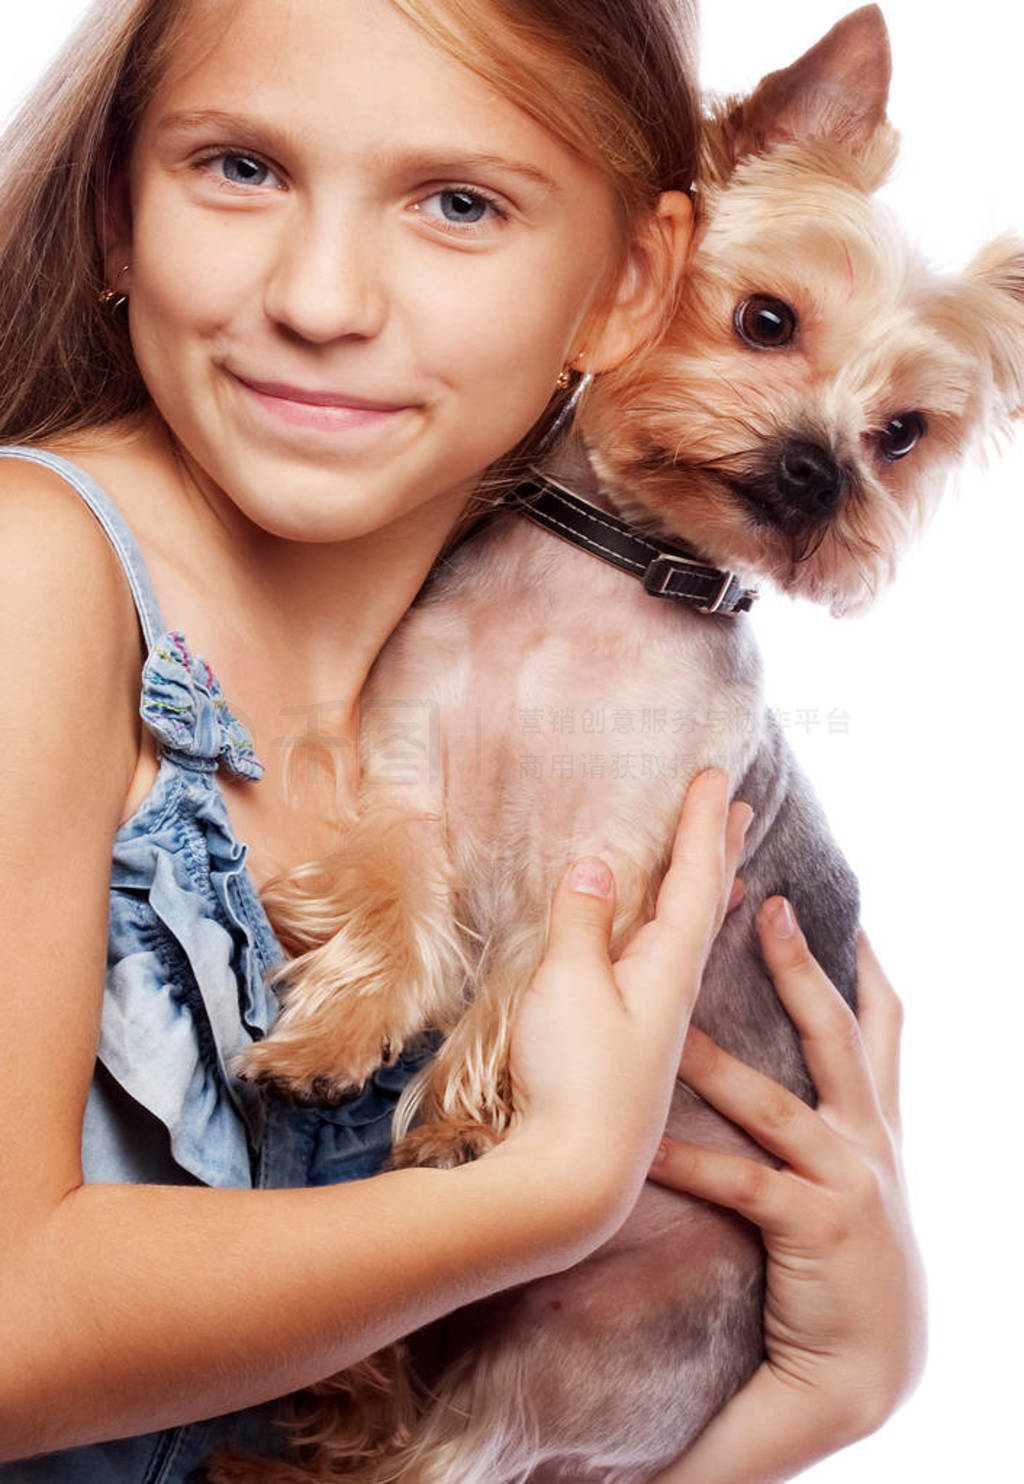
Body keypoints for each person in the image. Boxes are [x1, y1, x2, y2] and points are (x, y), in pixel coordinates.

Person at [0, 0, 925, 1478]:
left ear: (633, 284)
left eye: (457, 203)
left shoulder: (508, 695)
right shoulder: (32, 572)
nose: (322, 297)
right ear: (116, 214)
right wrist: (548, 1194)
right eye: (240, 168)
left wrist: (822, 1400)